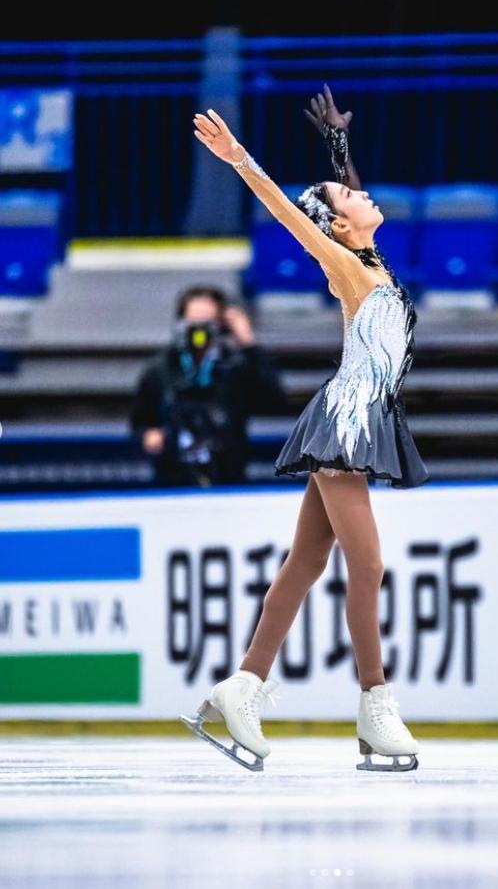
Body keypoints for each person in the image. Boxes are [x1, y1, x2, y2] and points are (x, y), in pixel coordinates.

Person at [180, 85, 429, 773]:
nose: (363, 193)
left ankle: (242, 686)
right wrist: (239, 159)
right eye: (350, 195)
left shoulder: (370, 260)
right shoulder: (348, 267)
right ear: (340, 227)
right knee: (366, 565)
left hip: (359, 417)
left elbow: (341, 205)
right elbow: (296, 216)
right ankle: (375, 703)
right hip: (347, 421)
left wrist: (338, 150)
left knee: (306, 561)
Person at [130, 284, 287, 487]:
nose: (199, 331)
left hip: (229, 478)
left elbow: (274, 400)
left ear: (221, 324)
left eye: (207, 322)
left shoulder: (236, 368)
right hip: (173, 480)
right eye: (192, 322)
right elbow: (139, 421)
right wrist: (147, 435)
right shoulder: (160, 369)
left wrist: (248, 344)